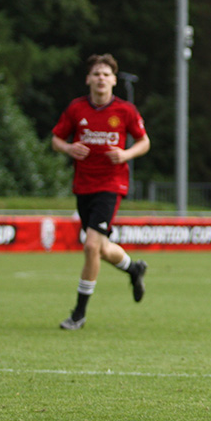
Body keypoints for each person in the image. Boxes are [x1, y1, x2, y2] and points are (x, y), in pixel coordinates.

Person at [51, 53, 150, 330]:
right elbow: (56, 139)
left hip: (111, 185)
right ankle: (134, 268)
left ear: (114, 80)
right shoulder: (76, 109)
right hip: (83, 185)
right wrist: (69, 148)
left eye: (106, 74)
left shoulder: (125, 110)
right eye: (96, 74)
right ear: (88, 79)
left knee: (91, 245)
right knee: (102, 248)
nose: (101, 78)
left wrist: (126, 154)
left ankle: (78, 314)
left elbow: (144, 142)